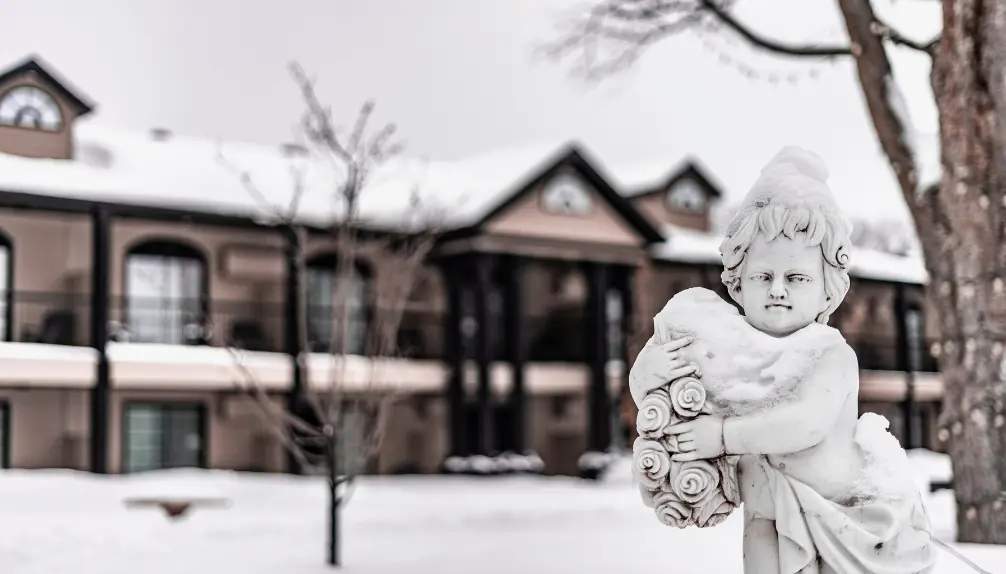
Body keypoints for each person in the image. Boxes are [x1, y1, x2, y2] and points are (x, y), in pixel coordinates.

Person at [629, 147, 936, 574]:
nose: (777, 289)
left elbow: (805, 423)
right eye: (763, 276)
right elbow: (667, 394)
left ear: (827, 290)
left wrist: (722, 435)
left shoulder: (828, 352)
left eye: (796, 278)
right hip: (765, 507)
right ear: (738, 283)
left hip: (841, 516)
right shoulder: (732, 351)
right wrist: (648, 374)